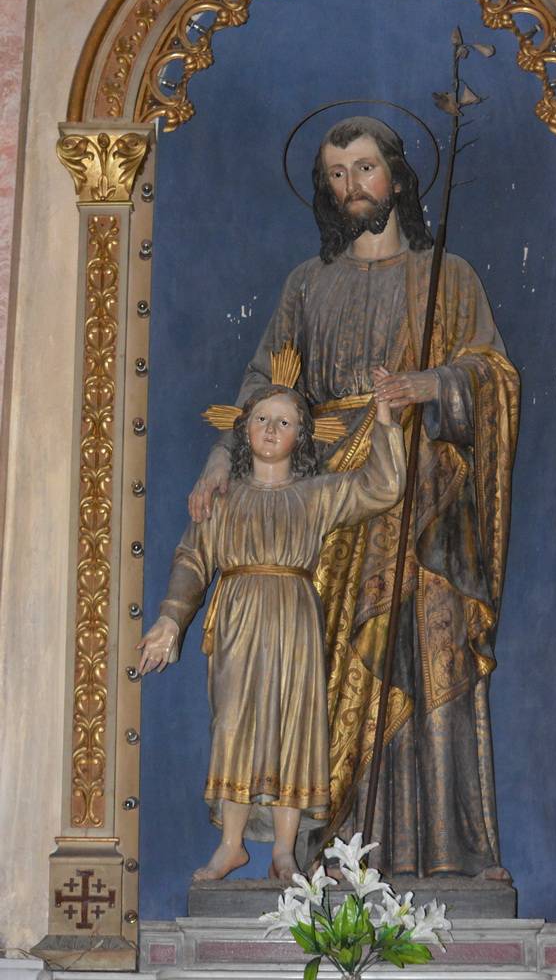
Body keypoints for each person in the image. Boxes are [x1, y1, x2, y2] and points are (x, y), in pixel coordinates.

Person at [189, 117, 519, 879]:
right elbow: (262, 391)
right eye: (336, 175)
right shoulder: (308, 284)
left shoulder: (448, 276)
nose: (351, 188)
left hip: (424, 505)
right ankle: (328, 849)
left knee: (428, 657)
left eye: (364, 169)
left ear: (396, 177)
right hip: (332, 508)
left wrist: (431, 385)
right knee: (326, 678)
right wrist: (217, 465)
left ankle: (447, 851)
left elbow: (493, 375)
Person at [137, 371, 406, 883]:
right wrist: (171, 618)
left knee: (295, 724)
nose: (270, 428)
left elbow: (381, 487)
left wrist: (386, 420)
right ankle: (231, 845)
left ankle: (285, 851)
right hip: (238, 616)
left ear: (301, 436)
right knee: (233, 723)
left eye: (284, 422)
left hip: (295, 615)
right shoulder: (221, 498)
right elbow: (192, 560)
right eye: (261, 418)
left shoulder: (315, 495)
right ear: (244, 429)